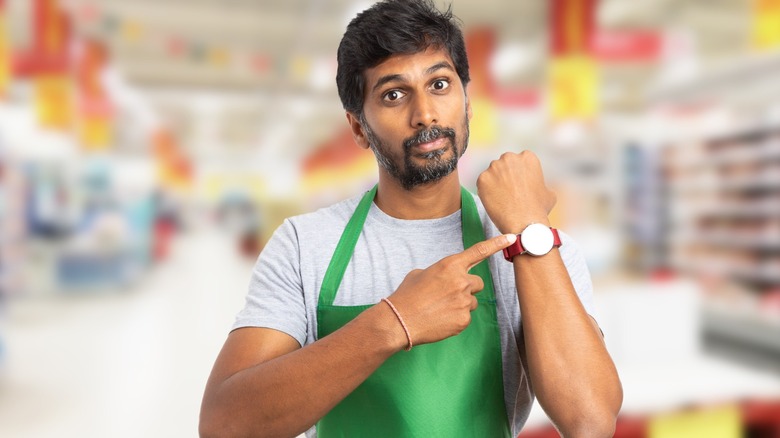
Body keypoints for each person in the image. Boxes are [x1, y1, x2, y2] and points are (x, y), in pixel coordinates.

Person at [199, 1, 623, 437]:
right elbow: (225, 425)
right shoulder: (305, 245)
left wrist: (530, 229)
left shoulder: (533, 244)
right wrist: (393, 322)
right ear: (359, 127)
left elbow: (589, 421)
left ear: (467, 102)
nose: (425, 114)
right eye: (393, 94)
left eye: (439, 84)